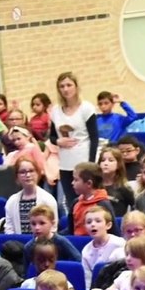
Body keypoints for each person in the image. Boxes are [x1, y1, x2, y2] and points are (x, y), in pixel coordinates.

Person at [48, 72, 99, 214]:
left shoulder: (86, 108)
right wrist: (58, 141)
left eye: (69, 85)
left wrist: (91, 164)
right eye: (62, 86)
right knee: (73, 203)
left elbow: (94, 137)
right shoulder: (55, 111)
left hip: (83, 160)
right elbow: (51, 136)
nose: (66, 89)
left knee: (88, 201)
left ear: (76, 87)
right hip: (65, 163)